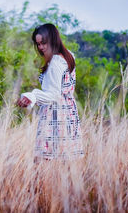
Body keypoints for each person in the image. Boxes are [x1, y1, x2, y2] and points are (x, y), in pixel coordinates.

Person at [17, 23, 84, 161]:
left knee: (48, 162)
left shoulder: (55, 63)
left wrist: (32, 95)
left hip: (55, 115)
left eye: (43, 43)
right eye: (38, 44)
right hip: (68, 112)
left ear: (53, 40)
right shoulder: (68, 56)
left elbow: (53, 94)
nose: (41, 47)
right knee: (65, 160)